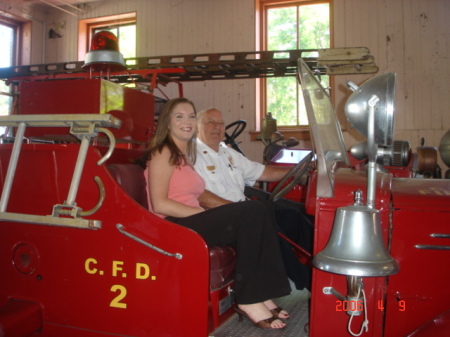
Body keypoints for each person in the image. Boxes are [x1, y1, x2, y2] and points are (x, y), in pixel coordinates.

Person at [141, 97, 292, 330]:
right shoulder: (163, 152)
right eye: (179, 116)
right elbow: (160, 204)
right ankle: (248, 298)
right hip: (172, 224)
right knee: (251, 210)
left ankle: (263, 293)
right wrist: (201, 213)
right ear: (167, 123)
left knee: (262, 209)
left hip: (188, 219)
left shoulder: (185, 156)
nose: (187, 121)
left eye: (191, 116)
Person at [194, 107, 313, 291]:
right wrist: (242, 212)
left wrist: (299, 170)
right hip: (221, 217)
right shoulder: (191, 155)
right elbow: (200, 195)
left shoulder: (228, 153)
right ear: (196, 126)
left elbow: (263, 172)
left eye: (220, 123)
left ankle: (326, 270)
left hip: (245, 212)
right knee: (269, 229)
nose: (217, 127)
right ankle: (310, 283)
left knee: (293, 217)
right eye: (210, 122)